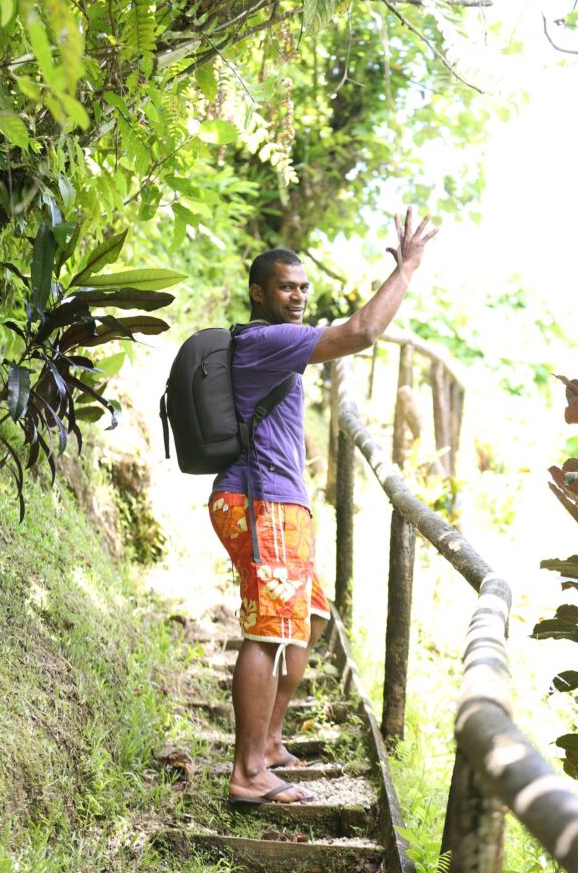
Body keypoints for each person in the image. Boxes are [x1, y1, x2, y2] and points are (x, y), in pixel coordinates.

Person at [208, 208, 438, 805]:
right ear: (258, 293)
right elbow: (362, 332)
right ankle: (248, 772)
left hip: (277, 505)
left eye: (304, 287)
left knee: (307, 617)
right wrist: (407, 267)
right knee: (266, 632)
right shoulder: (267, 339)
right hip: (262, 504)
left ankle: (273, 738)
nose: (299, 297)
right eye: (287, 286)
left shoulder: (270, 346)